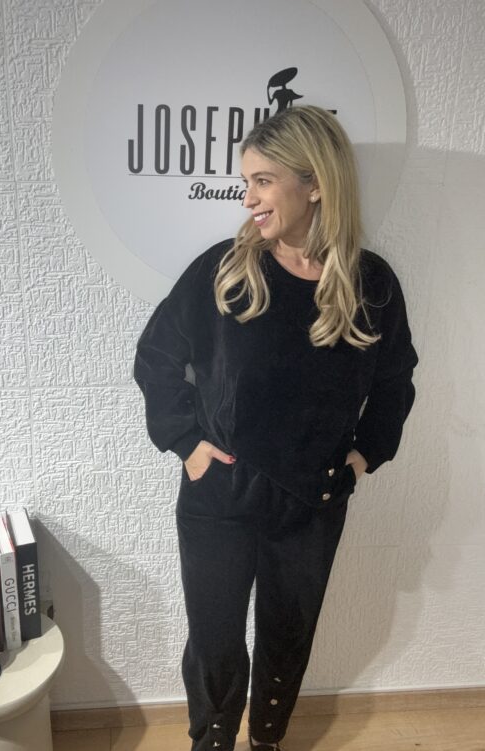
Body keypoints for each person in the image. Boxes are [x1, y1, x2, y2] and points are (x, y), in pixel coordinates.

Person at [133, 105, 418, 751]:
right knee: (215, 640)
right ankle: (212, 740)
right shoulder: (227, 268)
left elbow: (395, 382)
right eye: (247, 182)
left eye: (263, 181)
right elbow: (156, 356)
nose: (248, 198)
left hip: (313, 500)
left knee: (289, 636)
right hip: (220, 495)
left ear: (314, 182)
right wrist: (186, 443)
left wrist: (364, 457)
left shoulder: (371, 284)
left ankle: (266, 739)